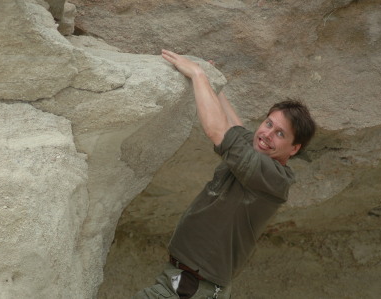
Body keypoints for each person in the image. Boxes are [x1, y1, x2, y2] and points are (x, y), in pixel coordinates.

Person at [132, 50, 316, 299]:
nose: (267, 135)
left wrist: (198, 75)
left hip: (192, 289)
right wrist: (216, 87)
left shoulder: (273, 178)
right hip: (184, 280)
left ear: (294, 149)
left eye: (280, 134)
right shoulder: (258, 154)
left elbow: (218, 132)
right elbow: (236, 130)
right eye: (268, 123)